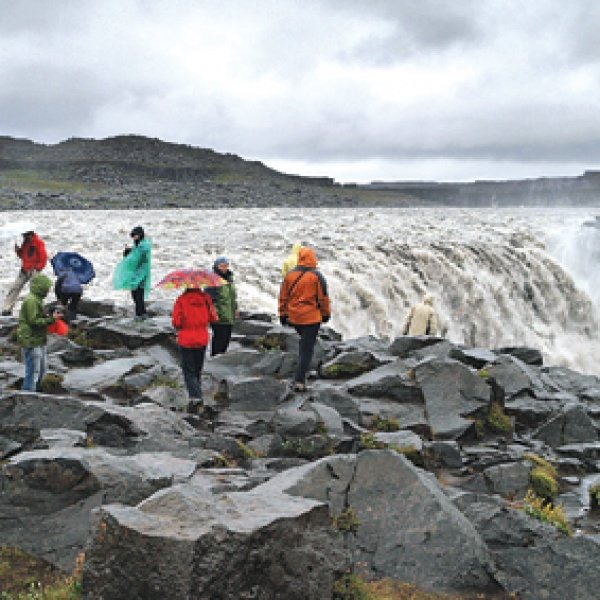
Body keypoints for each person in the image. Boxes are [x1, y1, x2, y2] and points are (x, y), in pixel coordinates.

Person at [278, 246, 330, 392]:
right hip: (311, 318)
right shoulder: (317, 276)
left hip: (295, 317)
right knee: (307, 349)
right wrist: (326, 314)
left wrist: (282, 314)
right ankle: (300, 380)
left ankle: (301, 371)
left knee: (303, 345)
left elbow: (283, 297)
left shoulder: (290, 276)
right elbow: (323, 298)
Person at [172, 286, 217, 412]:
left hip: (186, 340)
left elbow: (177, 322)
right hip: (202, 339)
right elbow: (214, 318)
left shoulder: (181, 300)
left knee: (189, 371)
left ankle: (196, 398)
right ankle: (198, 395)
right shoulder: (206, 299)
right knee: (197, 369)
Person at [16, 274, 61, 391]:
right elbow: (33, 321)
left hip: (38, 339)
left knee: (42, 369)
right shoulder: (32, 301)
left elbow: (36, 317)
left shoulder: (37, 300)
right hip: (31, 340)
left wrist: (48, 316)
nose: (48, 291)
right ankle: (28, 396)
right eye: (47, 288)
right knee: (33, 371)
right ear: (41, 287)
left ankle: (38, 393)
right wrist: (51, 319)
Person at [2, 230, 48, 316]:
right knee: (15, 288)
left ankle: (36, 310)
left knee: (35, 291)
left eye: (25, 235)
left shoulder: (39, 243)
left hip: (34, 270)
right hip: (24, 269)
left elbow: (43, 258)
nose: (23, 237)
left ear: (30, 234)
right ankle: (7, 309)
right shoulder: (25, 243)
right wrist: (18, 251)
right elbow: (22, 255)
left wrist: (37, 269)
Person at [113, 226, 152, 320]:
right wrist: (128, 252)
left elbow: (136, 257)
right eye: (133, 235)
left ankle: (140, 315)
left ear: (140, 235)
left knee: (138, 294)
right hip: (136, 273)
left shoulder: (144, 245)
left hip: (141, 273)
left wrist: (129, 253)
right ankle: (141, 313)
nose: (134, 237)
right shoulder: (138, 245)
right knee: (135, 294)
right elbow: (133, 256)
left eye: (135, 235)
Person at [206, 256, 238, 356]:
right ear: (216, 266)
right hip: (218, 317)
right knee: (219, 339)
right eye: (222, 266)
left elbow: (232, 298)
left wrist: (235, 309)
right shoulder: (212, 280)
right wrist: (216, 314)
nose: (224, 268)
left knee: (226, 340)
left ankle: (221, 358)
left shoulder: (229, 279)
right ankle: (215, 359)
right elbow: (209, 300)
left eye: (226, 266)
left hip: (229, 315)